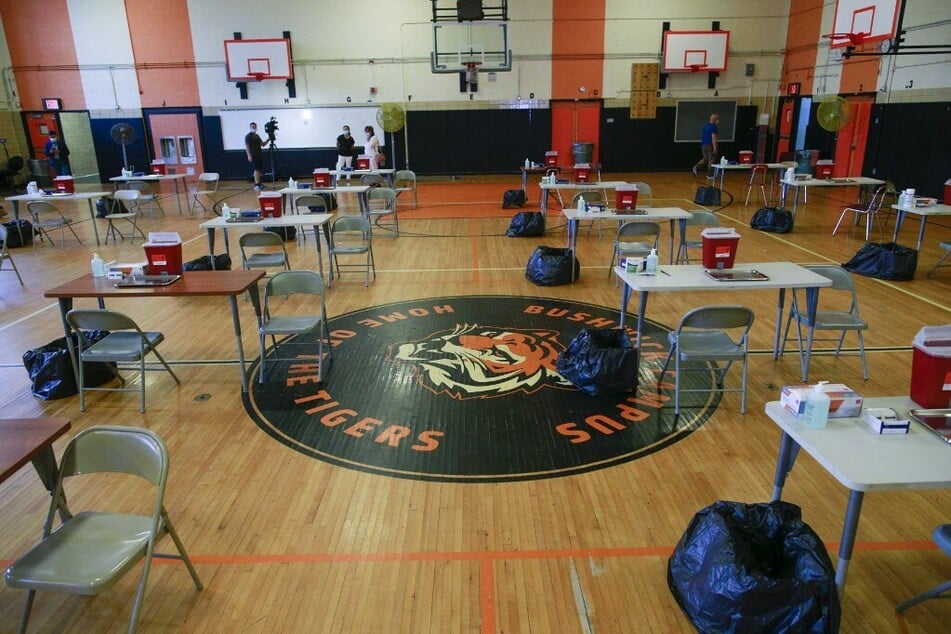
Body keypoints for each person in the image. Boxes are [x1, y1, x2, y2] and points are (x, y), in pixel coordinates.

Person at [692, 113, 719, 178]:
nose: (718, 121)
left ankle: (696, 167)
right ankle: (710, 175)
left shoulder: (706, 125)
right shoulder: (714, 127)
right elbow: (713, 137)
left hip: (703, 144)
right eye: (717, 119)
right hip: (709, 145)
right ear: (715, 120)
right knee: (711, 159)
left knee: (705, 159)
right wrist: (715, 147)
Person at [245, 122, 269, 190]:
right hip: (253, 155)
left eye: (254, 126)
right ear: (250, 127)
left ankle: (259, 183)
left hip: (259, 155)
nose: (253, 127)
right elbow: (247, 147)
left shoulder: (257, 136)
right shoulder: (248, 136)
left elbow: (263, 144)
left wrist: (268, 139)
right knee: (256, 169)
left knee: (259, 169)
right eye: (252, 126)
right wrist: (249, 155)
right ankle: (257, 185)